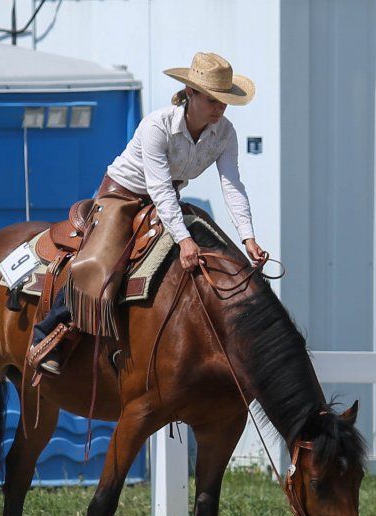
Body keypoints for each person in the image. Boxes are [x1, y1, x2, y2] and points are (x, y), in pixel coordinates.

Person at [30, 52, 264, 374]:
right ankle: (50, 333)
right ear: (191, 93)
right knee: (102, 260)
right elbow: (159, 185)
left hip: (165, 198)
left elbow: (232, 183)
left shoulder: (225, 132)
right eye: (212, 100)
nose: (220, 108)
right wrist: (183, 240)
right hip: (122, 194)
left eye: (224, 101)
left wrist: (248, 238)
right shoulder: (157, 125)